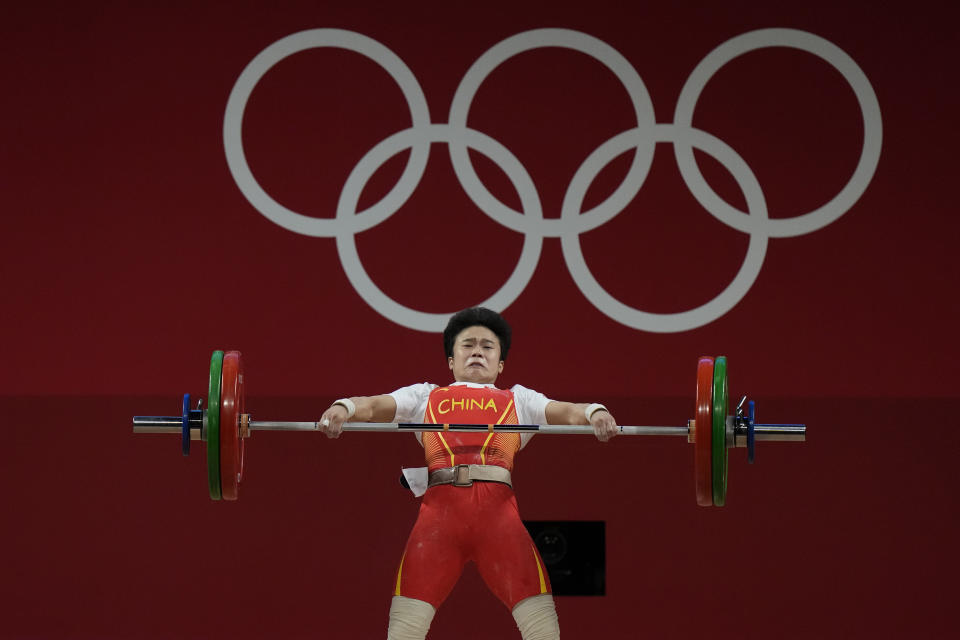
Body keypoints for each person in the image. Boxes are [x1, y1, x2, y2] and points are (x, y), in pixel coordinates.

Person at [318, 307, 618, 640]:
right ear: (451, 360)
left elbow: (570, 413)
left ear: (500, 363)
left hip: (500, 525)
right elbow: (372, 406)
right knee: (403, 633)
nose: (477, 351)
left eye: (488, 346)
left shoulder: (520, 400)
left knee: (544, 632)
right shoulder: (424, 396)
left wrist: (596, 413)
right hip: (437, 527)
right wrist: (342, 408)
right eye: (468, 344)